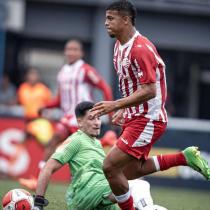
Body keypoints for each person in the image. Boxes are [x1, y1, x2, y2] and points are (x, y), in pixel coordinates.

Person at [90, 1, 210, 210]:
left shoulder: (141, 49)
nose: (105, 23)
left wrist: (115, 105)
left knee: (110, 167)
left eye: (110, 18)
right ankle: (184, 157)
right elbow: (132, 85)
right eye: (106, 18)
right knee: (129, 172)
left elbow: (149, 90)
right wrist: (124, 109)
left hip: (148, 119)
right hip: (135, 117)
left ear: (125, 20)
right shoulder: (119, 46)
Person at [33, 101, 167, 210]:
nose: (97, 123)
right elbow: (48, 167)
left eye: (98, 118)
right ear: (79, 122)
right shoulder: (75, 140)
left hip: (98, 193)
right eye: (91, 118)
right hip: (86, 193)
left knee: (138, 201)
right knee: (139, 186)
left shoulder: (95, 142)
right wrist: (38, 203)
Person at [19, 38, 113, 190]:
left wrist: (110, 111)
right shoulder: (63, 72)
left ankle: (89, 179)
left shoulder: (85, 70)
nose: (71, 52)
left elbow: (105, 87)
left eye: (75, 49)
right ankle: (38, 179)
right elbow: (61, 99)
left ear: (81, 53)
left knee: (81, 151)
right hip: (68, 117)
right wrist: (45, 106)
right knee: (53, 142)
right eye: (68, 49)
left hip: (83, 117)